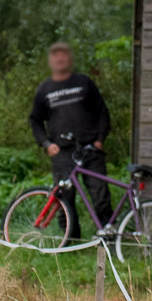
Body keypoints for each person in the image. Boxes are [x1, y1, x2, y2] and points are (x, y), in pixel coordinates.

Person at [28, 42, 112, 237]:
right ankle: (70, 241)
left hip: (91, 149)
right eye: (56, 55)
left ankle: (109, 236)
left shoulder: (84, 82)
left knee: (100, 195)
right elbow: (35, 120)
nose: (60, 59)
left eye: (64, 55)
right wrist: (46, 144)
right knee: (64, 198)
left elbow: (102, 111)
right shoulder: (45, 89)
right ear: (51, 61)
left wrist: (100, 139)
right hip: (63, 152)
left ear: (70, 59)